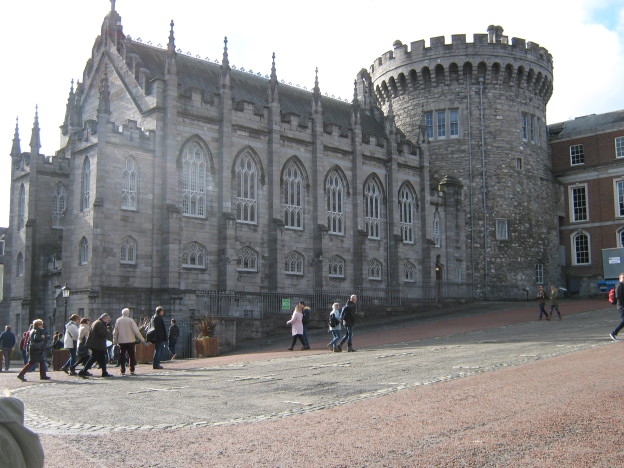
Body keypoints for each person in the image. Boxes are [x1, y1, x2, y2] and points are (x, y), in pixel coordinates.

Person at [113, 308, 147, 376]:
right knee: (131, 355)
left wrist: (115, 341)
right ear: (128, 313)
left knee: (122, 356)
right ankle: (132, 370)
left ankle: (122, 370)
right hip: (130, 340)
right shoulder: (131, 320)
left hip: (121, 341)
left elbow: (115, 331)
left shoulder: (118, 320)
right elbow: (136, 331)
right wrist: (142, 339)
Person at [79, 314, 113, 378]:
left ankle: (104, 372)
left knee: (101, 358)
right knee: (94, 358)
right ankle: (83, 371)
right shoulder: (100, 324)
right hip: (97, 344)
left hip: (96, 344)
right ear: (104, 318)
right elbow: (101, 334)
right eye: (108, 319)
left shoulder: (96, 322)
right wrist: (107, 330)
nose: (108, 321)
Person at [610, 273, 624, 340]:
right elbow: (618, 296)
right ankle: (613, 333)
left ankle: (614, 333)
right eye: (623, 277)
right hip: (621, 306)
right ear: (620, 279)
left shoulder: (622, 285)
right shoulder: (620, 285)